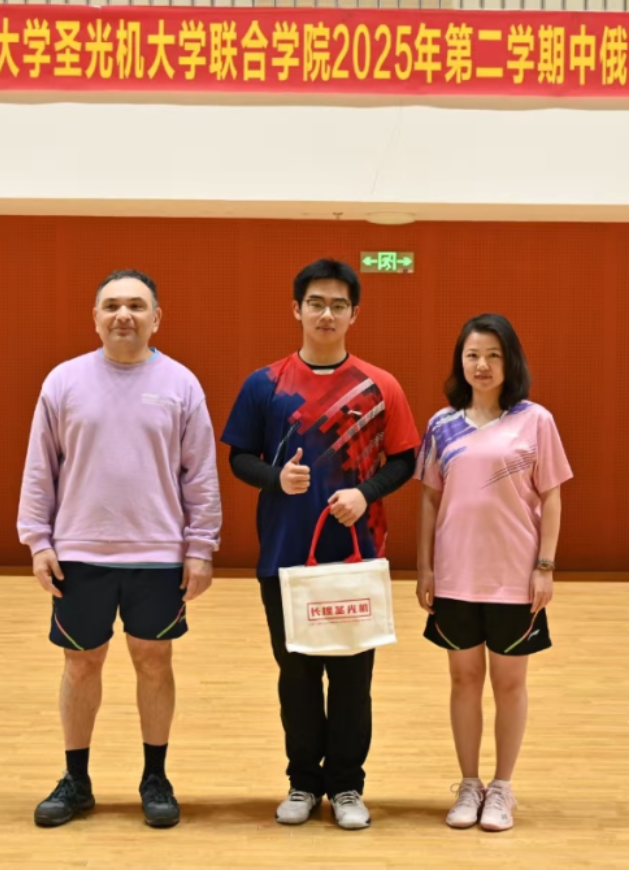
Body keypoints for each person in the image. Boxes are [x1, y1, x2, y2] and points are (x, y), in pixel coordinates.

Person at [16, 269, 222, 830]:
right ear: (96, 318)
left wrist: (201, 547)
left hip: (158, 554)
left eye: (136, 305)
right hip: (79, 551)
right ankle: (76, 780)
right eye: (111, 306)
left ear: (157, 318)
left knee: (154, 661)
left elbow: (200, 474)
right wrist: (37, 540)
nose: (123, 315)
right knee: (81, 663)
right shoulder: (63, 381)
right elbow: (40, 467)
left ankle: (155, 777)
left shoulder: (181, 384)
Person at [220, 258, 420, 830]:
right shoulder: (266, 384)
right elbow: (239, 457)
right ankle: (304, 783)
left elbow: (404, 459)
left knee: (354, 682)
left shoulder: (379, 387)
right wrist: (275, 478)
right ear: (297, 309)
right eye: (316, 303)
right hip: (285, 559)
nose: (326, 314)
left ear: (354, 314)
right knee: (298, 677)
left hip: (358, 556)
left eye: (338, 304)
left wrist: (365, 492)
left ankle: (348, 786)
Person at [414, 312, 572, 833]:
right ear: (460, 362)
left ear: (510, 362)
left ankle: (502, 787)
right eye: (472, 355)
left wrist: (544, 566)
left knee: (508, 683)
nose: (481, 365)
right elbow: (430, 501)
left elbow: (552, 497)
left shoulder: (535, 420)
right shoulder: (441, 425)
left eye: (493, 355)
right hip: (455, 575)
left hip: (514, 575)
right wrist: (425, 567)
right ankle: (469, 784)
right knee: (463, 680)